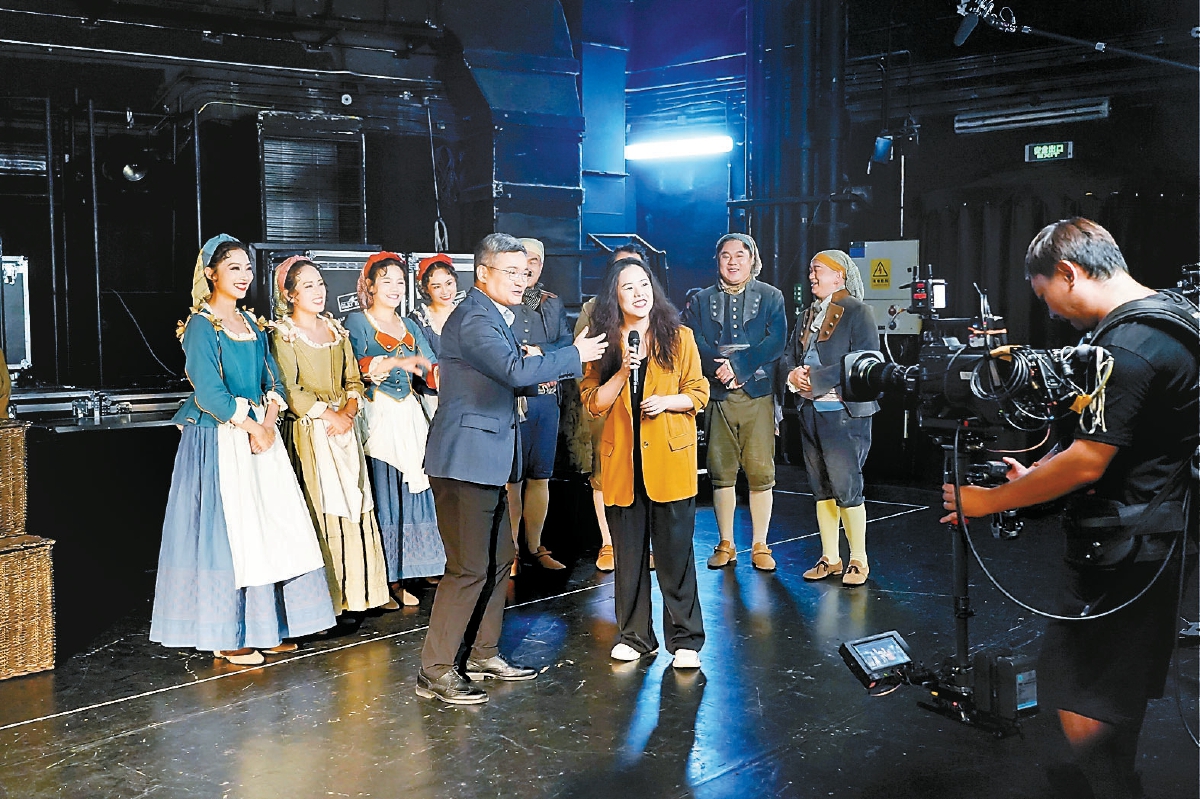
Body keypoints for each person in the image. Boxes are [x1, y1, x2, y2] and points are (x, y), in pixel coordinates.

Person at [941, 218, 1198, 799]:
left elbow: (1087, 461)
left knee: (1080, 693)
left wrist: (990, 500)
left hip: (1125, 549)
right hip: (1158, 535)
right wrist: (1036, 478)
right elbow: (1116, 436)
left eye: (1045, 295)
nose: (1051, 312)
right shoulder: (1172, 316)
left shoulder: (1127, 347)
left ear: (1069, 273)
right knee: (1113, 691)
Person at [417, 233, 608, 705]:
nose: (522, 281)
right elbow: (513, 371)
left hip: (487, 459)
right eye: (511, 272)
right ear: (483, 273)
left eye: (525, 272)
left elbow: (503, 377)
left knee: (501, 558)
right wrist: (572, 356)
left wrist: (539, 370)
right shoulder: (474, 317)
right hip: (464, 460)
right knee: (467, 568)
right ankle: (435, 670)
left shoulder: (493, 315)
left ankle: (482, 654)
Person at [150, 235, 336, 666]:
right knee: (233, 534)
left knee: (269, 529)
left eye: (248, 268)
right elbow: (209, 391)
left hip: (259, 437)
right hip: (221, 438)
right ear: (211, 274)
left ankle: (265, 627)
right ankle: (227, 633)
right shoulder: (202, 326)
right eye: (233, 267)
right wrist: (251, 426)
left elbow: (273, 380)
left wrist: (267, 425)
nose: (243, 276)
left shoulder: (252, 323)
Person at [580, 257, 709, 669]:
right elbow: (592, 402)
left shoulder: (680, 336)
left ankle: (686, 640)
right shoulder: (601, 343)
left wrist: (668, 401)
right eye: (628, 287)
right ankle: (635, 636)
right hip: (623, 462)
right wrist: (621, 373)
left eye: (644, 285)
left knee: (675, 556)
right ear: (614, 297)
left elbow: (699, 392)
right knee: (629, 558)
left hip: (669, 460)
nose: (639, 294)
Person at [270, 256, 400, 617]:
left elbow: (353, 380)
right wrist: (329, 415)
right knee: (322, 507)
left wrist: (348, 412)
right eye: (308, 285)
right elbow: (289, 388)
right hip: (310, 435)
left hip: (343, 431)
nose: (318, 291)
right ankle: (326, 603)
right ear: (290, 294)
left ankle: (361, 594)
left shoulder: (336, 331)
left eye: (320, 284)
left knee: (355, 504)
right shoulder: (283, 334)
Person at [682, 234, 787, 572]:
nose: (732, 262)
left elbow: (776, 341)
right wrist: (720, 369)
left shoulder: (772, 296)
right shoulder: (700, 300)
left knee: (760, 472)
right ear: (717, 261)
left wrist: (740, 367)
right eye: (725, 255)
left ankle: (760, 544)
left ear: (752, 259)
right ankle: (725, 543)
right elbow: (692, 340)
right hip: (719, 395)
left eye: (740, 255)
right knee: (721, 471)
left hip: (758, 394)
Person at [345, 252, 443, 607]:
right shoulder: (357, 322)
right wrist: (384, 363)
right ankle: (388, 580)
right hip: (378, 414)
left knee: (414, 490)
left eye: (400, 282)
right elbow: (349, 365)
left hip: (408, 415)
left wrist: (448, 375)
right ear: (370, 286)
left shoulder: (409, 325)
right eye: (386, 281)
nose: (395, 288)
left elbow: (430, 365)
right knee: (385, 495)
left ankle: (419, 566)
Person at [781, 249, 879, 587]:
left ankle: (859, 559)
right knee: (820, 487)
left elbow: (867, 359)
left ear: (839, 276)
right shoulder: (806, 315)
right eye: (811, 270)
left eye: (818, 270)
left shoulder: (858, 312)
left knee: (846, 486)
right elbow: (789, 355)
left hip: (842, 413)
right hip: (809, 410)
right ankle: (830, 557)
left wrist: (817, 378)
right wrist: (792, 375)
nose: (811, 276)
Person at [576, 243, 651, 573]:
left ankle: (643, 545)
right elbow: (583, 362)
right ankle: (608, 542)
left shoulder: (653, 309)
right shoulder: (593, 309)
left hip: (643, 406)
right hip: (606, 405)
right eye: (622, 270)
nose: (634, 285)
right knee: (603, 474)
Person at [505, 237, 575, 572]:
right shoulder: (500, 300)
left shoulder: (551, 303)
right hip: (513, 399)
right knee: (513, 479)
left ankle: (534, 546)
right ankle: (511, 552)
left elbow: (566, 342)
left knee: (540, 475)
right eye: (522, 260)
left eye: (534, 260)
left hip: (546, 398)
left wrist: (542, 353)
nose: (528, 267)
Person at [409, 253, 462, 358]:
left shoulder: (468, 314)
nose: (445, 291)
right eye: (437, 287)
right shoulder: (419, 320)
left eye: (449, 283)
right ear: (426, 289)